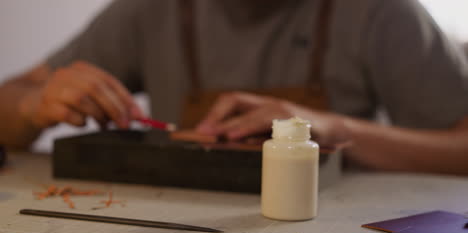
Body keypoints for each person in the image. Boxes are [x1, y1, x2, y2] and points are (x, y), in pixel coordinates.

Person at [1, 0, 468, 175]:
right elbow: (12, 105)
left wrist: (338, 130)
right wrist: (29, 105)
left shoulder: (382, 14)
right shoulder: (146, 13)